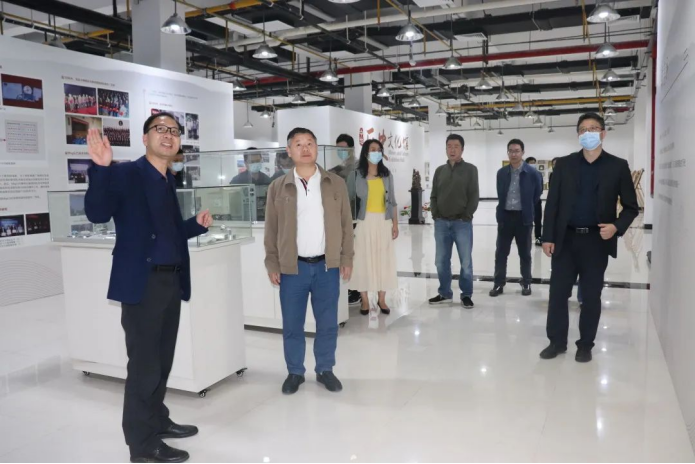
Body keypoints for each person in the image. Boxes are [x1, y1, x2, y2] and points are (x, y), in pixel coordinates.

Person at [85, 112, 213, 464]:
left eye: (174, 131)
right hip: (143, 283)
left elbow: (168, 232)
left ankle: (157, 419)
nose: (168, 135)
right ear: (145, 138)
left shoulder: (166, 178)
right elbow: (97, 213)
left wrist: (195, 225)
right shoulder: (126, 173)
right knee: (145, 367)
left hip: (170, 281)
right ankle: (142, 445)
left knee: (162, 361)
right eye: (160, 129)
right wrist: (101, 169)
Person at [540, 113, 639, 363]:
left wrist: (616, 227)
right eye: (583, 129)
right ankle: (556, 342)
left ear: (603, 133)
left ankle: (585, 344)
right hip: (566, 240)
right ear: (578, 135)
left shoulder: (617, 166)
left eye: (593, 128)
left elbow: (631, 208)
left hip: (596, 242)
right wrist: (547, 237)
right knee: (558, 294)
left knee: (591, 296)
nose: (588, 133)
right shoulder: (564, 165)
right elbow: (552, 204)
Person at [264, 127, 354, 396]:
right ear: (289, 150)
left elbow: (346, 224)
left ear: (316, 147)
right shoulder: (278, 187)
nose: (305, 148)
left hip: (327, 267)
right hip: (293, 268)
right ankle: (295, 372)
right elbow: (271, 229)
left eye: (310, 143)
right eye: (298, 144)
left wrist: (346, 257)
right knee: (292, 324)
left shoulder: (335, 183)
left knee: (327, 323)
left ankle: (325, 369)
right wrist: (272, 263)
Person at [429, 134, 480, 308]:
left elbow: (474, 195)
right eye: (449, 146)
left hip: (462, 224)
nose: (452, 149)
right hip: (441, 223)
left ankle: (466, 295)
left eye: (456, 146)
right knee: (441, 261)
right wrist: (435, 214)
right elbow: (434, 195)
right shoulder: (439, 171)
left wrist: (466, 215)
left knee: (465, 262)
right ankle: (445, 293)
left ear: (462, 149)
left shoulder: (471, 170)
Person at [351, 139, 399, 316]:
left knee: (383, 260)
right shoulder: (356, 175)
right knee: (362, 259)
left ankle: (381, 299)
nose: (376, 152)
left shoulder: (387, 175)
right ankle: (364, 299)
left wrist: (395, 224)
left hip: (383, 222)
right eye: (373, 149)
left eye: (379, 149)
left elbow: (392, 201)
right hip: (364, 222)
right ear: (365, 152)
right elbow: (350, 201)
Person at [490, 140, 543, 298]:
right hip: (505, 217)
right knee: (501, 253)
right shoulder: (501, 173)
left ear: (523, 152)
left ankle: (526, 281)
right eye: (511, 151)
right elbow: (500, 193)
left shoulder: (533, 173)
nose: (514, 154)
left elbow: (537, 195)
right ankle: (498, 283)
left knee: (525, 253)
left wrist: (526, 207)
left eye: (517, 151)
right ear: (508, 152)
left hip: (523, 218)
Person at [333, 134, 361, 306]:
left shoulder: (357, 167)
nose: (341, 151)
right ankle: (348, 287)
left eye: (344, 148)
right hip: (339, 215)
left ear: (351, 149)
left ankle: (356, 289)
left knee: (353, 252)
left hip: (354, 216)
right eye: (338, 149)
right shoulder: (338, 168)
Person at [525, 156, 544, 246]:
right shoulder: (523, 173)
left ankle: (538, 237)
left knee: (538, 220)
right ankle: (526, 237)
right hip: (526, 201)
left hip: (536, 201)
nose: (533, 164)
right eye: (531, 163)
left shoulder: (538, 174)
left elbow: (541, 187)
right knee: (526, 220)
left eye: (534, 162)